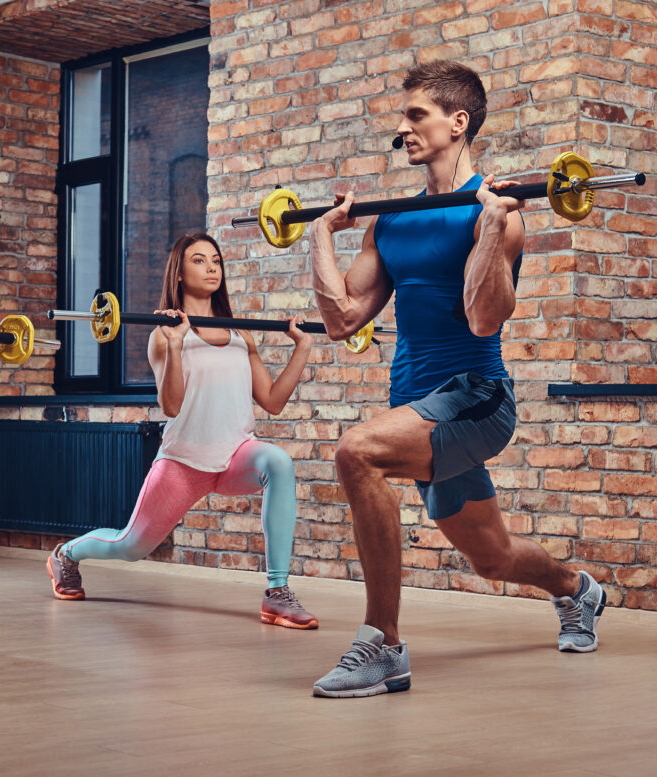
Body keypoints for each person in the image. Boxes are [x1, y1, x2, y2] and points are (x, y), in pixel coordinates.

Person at [307, 61, 606, 697]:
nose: (402, 128)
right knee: (491, 557)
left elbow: (482, 319)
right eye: (404, 116)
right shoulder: (392, 220)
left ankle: (383, 647)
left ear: (457, 122)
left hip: (476, 399)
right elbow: (342, 319)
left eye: (416, 115)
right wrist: (321, 239)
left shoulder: (496, 211)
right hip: (417, 406)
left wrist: (492, 231)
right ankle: (577, 590)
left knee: (357, 452)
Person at [47, 233, 320, 629]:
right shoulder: (163, 334)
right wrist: (175, 346)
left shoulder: (242, 333)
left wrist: (303, 350)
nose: (211, 268)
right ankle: (66, 554)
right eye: (199, 260)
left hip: (234, 456)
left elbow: (273, 401)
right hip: (183, 462)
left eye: (216, 261)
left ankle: (277, 593)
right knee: (131, 546)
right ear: (178, 272)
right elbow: (171, 406)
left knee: (277, 462)